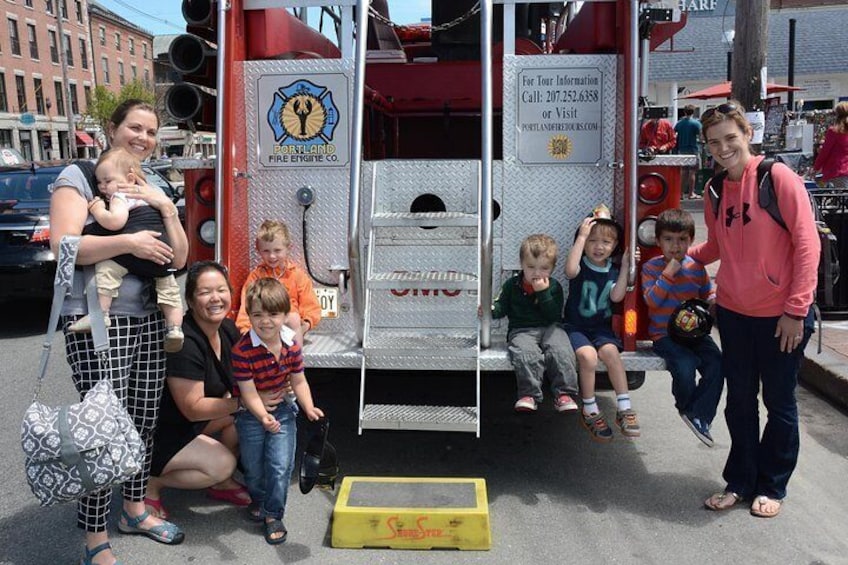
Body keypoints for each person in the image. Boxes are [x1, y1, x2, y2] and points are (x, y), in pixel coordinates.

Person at [49, 99, 189, 565]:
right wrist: (128, 241)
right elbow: (65, 245)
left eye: (151, 131)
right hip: (97, 320)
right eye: (135, 127)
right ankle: (94, 540)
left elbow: (182, 258)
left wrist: (167, 212)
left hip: (150, 318)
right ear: (112, 128)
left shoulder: (154, 183)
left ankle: (133, 509)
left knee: (144, 422)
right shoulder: (82, 177)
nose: (143, 138)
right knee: (103, 428)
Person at [690, 101, 819, 519]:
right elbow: (715, 247)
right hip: (733, 313)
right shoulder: (713, 189)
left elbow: (807, 245)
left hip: (782, 315)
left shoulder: (777, 178)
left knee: (779, 403)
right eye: (714, 142)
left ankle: (772, 485)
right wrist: (667, 255)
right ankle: (741, 482)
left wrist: (796, 310)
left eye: (730, 137)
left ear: (747, 133)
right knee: (739, 402)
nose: (723, 148)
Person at [146, 261, 285, 521]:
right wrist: (246, 402)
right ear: (189, 299)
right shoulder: (184, 342)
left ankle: (221, 484)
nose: (215, 298)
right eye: (204, 292)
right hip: (166, 430)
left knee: (247, 421)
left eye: (221, 290)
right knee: (222, 463)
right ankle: (150, 482)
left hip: (194, 422)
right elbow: (192, 408)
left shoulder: (228, 329)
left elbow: (248, 371)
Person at [231, 277, 324, 545]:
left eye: (273, 314)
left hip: (283, 410)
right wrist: (261, 416)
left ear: (286, 315)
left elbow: (298, 380)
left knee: (280, 464)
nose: (266, 321)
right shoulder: (242, 351)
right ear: (249, 316)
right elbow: (247, 392)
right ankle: (259, 500)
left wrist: (308, 406)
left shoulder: (292, 345)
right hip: (251, 415)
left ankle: (273, 514)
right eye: (258, 315)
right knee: (253, 465)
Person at [67, 148, 184, 353]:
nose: (102, 187)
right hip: (163, 251)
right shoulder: (152, 195)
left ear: (129, 178)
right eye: (99, 182)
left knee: (106, 270)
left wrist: (97, 209)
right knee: (169, 289)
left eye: (107, 181)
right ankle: (174, 329)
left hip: (133, 254)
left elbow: (115, 221)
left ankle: (101, 313)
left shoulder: (120, 195)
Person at [641, 208, 723, 447]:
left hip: (694, 334)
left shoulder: (696, 268)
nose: (675, 246)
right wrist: (667, 274)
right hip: (664, 335)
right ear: (658, 241)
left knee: (717, 363)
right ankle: (687, 408)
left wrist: (713, 300)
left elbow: (707, 292)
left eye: (681, 240)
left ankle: (701, 416)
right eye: (668, 239)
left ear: (691, 240)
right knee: (685, 365)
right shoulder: (651, 268)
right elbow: (652, 301)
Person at [563, 204, 640, 442]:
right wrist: (581, 236)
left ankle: (624, 407)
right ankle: (589, 409)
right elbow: (569, 269)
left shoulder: (614, 270)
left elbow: (617, 297)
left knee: (611, 355)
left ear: (615, 246)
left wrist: (627, 266)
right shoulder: (580, 266)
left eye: (606, 242)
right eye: (593, 241)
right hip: (576, 326)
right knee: (588, 358)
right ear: (584, 243)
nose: (599, 247)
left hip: (601, 329)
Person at [488, 234, 579, 413]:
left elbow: (553, 314)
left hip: (551, 327)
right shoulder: (511, 285)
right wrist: (490, 309)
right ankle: (529, 395)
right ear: (522, 264)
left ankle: (564, 394)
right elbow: (501, 307)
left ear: (552, 268)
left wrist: (543, 293)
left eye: (544, 268)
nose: (536, 273)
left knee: (561, 351)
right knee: (525, 353)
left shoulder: (554, 287)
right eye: (531, 267)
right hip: (521, 330)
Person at [235, 220, 321, 345]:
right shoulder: (255, 277)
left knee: (293, 318)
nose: (272, 256)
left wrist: (305, 325)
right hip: (263, 328)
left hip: (290, 329)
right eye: (266, 251)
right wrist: (245, 331)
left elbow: (311, 307)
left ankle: (294, 360)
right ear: (258, 250)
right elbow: (246, 308)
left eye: (277, 250)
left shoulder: (297, 276)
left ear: (288, 248)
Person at [812, 101, 848, 188]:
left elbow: (825, 152)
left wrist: (816, 167)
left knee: (839, 199)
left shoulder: (834, 131)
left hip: (837, 171)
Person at [674, 105, 703, 199]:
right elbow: (701, 136)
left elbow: (674, 133)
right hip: (693, 149)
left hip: (682, 149)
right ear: (693, 112)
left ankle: (680, 194)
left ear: (684, 112)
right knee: (692, 172)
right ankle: (691, 193)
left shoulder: (679, 123)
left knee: (683, 171)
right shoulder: (696, 123)